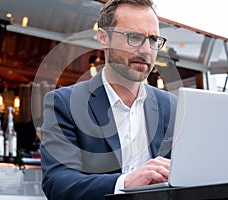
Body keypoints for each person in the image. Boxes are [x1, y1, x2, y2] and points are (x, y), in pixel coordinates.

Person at [40, 0, 177, 199]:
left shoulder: (171, 106)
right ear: (104, 38)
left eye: (153, 39)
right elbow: (57, 183)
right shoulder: (64, 103)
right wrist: (125, 183)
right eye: (135, 37)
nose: (147, 50)